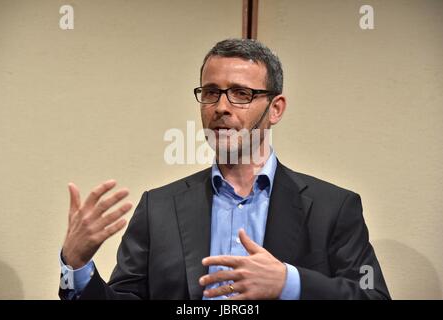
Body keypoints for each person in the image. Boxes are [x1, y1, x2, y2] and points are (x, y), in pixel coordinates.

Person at [59, 38, 390, 300]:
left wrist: (288, 283)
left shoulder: (333, 208)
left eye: (241, 94)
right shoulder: (158, 207)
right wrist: (76, 267)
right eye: (211, 92)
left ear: (276, 109)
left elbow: (371, 296)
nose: (220, 107)